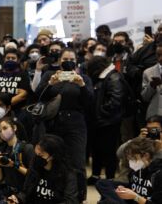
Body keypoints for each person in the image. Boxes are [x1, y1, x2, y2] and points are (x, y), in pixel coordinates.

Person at [35, 48, 94, 201]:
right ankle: (55, 195)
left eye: (71, 59)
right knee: (53, 160)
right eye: (64, 59)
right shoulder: (49, 74)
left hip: (76, 124)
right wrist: (50, 84)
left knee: (77, 162)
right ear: (59, 61)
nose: (68, 61)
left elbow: (89, 103)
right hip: (53, 123)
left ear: (76, 61)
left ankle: (80, 197)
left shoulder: (84, 78)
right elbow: (38, 97)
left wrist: (81, 85)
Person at [85, 56, 126, 184]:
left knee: (108, 150)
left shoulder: (113, 77)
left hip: (109, 121)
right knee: (97, 149)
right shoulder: (103, 77)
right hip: (99, 121)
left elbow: (116, 100)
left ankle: (110, 177)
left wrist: (101, 112)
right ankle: (96, 175)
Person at [7, 134, 78, 204]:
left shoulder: (68, 174)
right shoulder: (34, 166)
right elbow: (26, 192)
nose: (37, 157)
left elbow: (70, 201)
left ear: (52, 156)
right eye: (36, 153)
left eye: (41, 155)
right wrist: (17, 199)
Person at [96, 138, 162, 204]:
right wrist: (125, 190)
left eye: (133, 158)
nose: (130, 162)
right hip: (134, 200)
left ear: (146, 156)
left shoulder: (158, 174)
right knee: (102, 184)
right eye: (129, 159)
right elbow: (134, 187)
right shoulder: (136, 169)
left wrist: (135, 197)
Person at [0, 117, 34, 204]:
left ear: (14, 128)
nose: (3, 132)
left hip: (23, 193)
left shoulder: (26, 148)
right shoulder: (2, 149)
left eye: (5, 128)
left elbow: (33, 176)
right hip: (7, 191)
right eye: (0, 131)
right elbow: (0, 177)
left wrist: (14, 165)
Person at [141, 44, 162, 120]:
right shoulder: (148, 72)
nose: (160, 58)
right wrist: (152, 86)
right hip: (154, 116)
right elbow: (145, 97)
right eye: (158, 55)